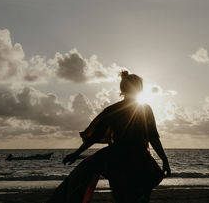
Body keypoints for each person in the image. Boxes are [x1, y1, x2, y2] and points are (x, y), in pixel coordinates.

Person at [47, 71, 171, 203]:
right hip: (138, 157)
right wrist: (164, 160)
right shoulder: (144, 109)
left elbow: (95, 136)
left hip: (116, 158)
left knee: (123, 196)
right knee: (139, 196)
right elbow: (153, 137)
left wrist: (77, 153)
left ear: (123, 89)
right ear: (139, 89)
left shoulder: (114, 110)